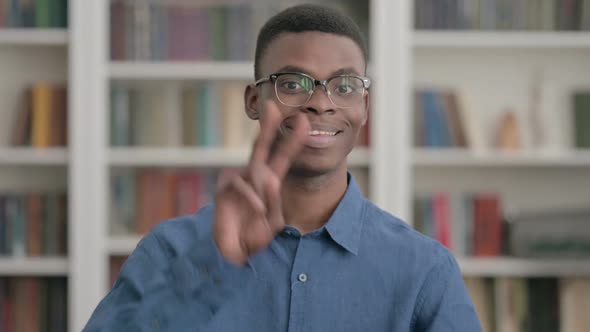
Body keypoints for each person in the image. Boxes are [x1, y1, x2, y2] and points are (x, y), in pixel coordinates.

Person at [84, 4, 481, 331]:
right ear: (253, 101)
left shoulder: (425, 271)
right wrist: (211, 266)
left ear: (364, 107)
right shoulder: (171, 251)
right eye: (293, 84)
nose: (321, 104)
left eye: (344, 87)